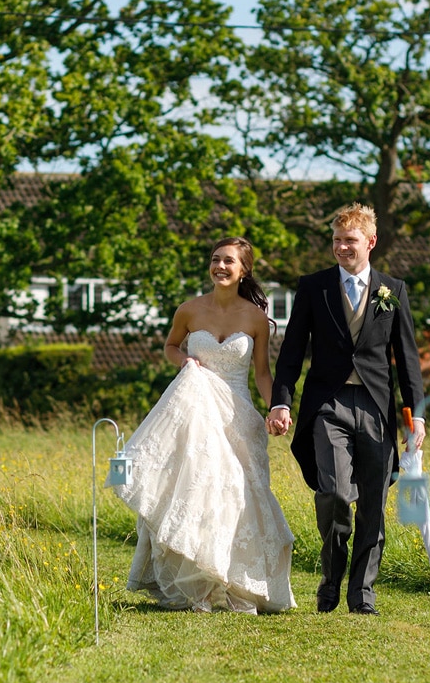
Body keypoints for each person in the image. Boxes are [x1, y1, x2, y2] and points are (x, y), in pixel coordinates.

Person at [110, 236, 296, 614]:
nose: (220, 267)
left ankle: (235, 584)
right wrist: (184, 362)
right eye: (215, 260)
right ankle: (197, 586)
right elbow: (170, 347)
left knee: (238, 492)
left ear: (244, 269)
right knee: (201, 487)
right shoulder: (189, 310)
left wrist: (277, 407)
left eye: (229, 261)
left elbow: (262, 373)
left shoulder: (256, 318)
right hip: (195, 409)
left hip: (236, 412)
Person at [266, 203, 426, 616]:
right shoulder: (313, 287)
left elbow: (407, 358)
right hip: (328, 406)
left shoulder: (394, 290)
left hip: (376, 408)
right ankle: (331, 579)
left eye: (349, 240)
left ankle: (362, 594)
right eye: (336, 240)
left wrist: (416, 414)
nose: (340, 247)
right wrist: (282, 400)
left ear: (370, 242)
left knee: (373, 501)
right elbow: (292, 351)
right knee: (335, 493)